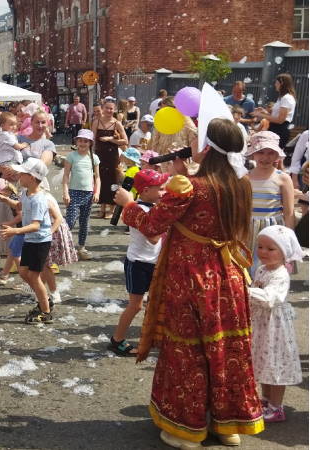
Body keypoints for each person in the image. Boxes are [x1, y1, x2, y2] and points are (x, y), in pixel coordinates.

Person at [114, 117, 262, 448]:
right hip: (229, 276)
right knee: (226, 348)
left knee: (187, 351)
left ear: (206, 147)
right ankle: (228, 426)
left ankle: (186, 429)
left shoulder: (189, 186)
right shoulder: (242, 184)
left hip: (191, 278)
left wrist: (129, 205)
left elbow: (153, 225)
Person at [108, 170, 168, 356]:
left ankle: (157, 337)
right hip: (139, 264)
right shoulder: (139, 209)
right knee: (136, 305)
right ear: (147, 191)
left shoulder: (150, 207)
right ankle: (117, 339)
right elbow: (153, 236)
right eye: (161, 189)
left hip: (154, 262)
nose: (164, 193)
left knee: (160, 302)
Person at [249, 225, 303, 423]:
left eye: (270, 249)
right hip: (262, 324)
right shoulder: (262, 268)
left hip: (275, 327)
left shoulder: (280, 274)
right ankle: (265, 400)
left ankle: (277, 407)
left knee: (276, 364)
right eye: (260, 246)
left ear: (284, 252)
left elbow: (270, 298)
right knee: (264, 363)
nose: (263, 252)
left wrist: (244, 291)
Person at [0, 158, 53, 323]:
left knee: (34, 277)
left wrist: (15, 230)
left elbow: (36, 226)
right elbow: (20, 206)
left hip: (40, 240)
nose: (18, 175)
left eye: (22, 173)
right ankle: (44, 299)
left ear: (32, 178)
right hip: (30, 239)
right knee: (23, 272)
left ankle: (46, 311)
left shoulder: (39, 199)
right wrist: (4, 199)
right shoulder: (26, 193)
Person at [247, 131, 294, 272]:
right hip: (249, 228)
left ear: (276, 155)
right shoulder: (244, 177)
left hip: (273, 228)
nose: (265, 157)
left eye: (271, 153)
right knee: (250, 267)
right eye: (260, 152)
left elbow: (289, 212)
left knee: (271, 267)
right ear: (253, 154)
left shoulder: (283, 178)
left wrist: (289, 239)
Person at [63, 129, 100, 260]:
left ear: (90, 143)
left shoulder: (93, 157)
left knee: (84, 222)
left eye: (86, 141)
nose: (83, 143)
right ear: (76, 141)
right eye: (80, 140)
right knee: (70, 222)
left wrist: (97, 192)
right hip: (73, 193)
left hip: (88, 193)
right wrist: (66, 193)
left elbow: (97, 177)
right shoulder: (72, 156)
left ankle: (81, 247)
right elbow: (66, 176)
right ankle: (63, 245)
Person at [91, 100, 129, 218]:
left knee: (113, 180)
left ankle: (111, 209)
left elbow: (125, 141)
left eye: (111, 108)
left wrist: (110, 139)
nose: (109, 111)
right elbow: (92, 139)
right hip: (99, 155)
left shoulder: (117, 123)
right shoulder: (96, 122)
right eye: (107, 108)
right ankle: (102, 209)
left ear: (115, 110)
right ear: (103, 108)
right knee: (100, 179)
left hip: (112, 156)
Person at [252, 73, 297, 149]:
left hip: (280, 130)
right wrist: (264, 112)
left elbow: (280, 120)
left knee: (272, 155)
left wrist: (261, 115)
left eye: (276, 82)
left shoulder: (286, 98)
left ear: (281, 83)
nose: (275, 84)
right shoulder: (282, 98)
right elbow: (276, 117)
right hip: (274, 128)